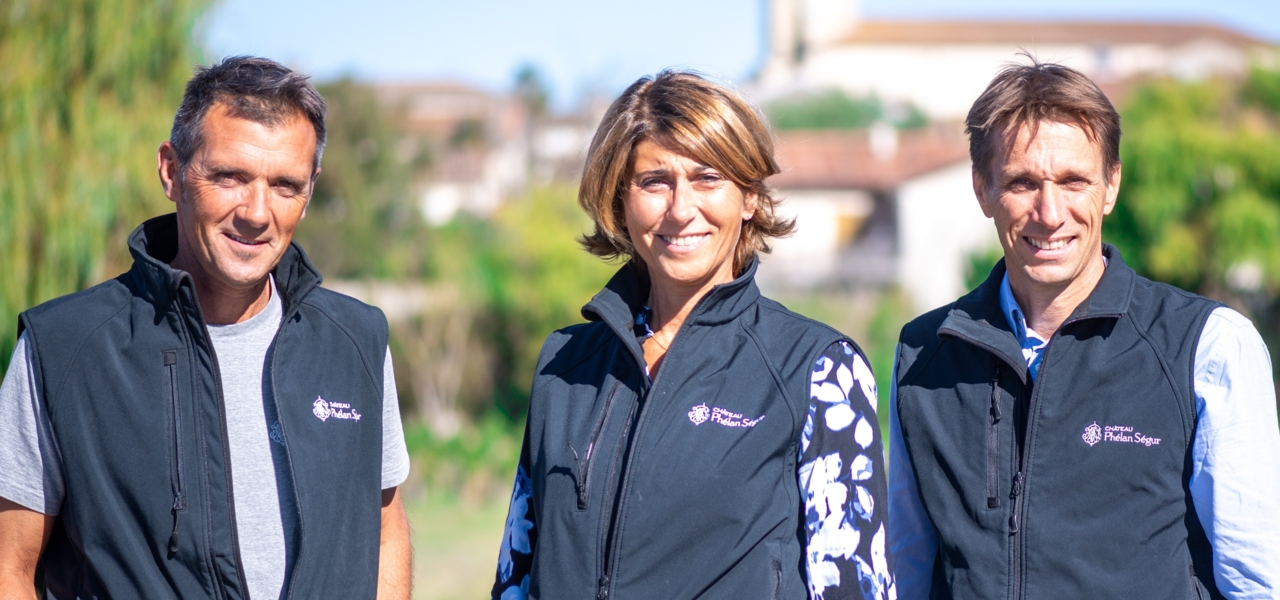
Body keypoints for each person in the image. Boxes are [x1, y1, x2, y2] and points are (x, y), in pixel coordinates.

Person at [0, 56, 412, 599]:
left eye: (285, 185)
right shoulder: (63, 349)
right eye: (230, 177)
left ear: (310, 190)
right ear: (172, 171)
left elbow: (384, 532)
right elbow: (9, 567)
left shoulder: (356, 341)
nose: (257, 212)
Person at [489, 70, 894, 600]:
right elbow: (516, 578)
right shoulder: (564, 364)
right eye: (655, 181)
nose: (681, 209)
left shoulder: (819, 370)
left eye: (708, 178)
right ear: (620, 200)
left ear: (749, 197)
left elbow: (857, 588)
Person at [888, 59, 1280, 598]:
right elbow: (904, 571)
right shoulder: (923, 354)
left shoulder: (1208, 346)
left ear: (1111, 185)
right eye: (1023, 183)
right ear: (982, 189)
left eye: (1074, 181)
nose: (1050, 213)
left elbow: (1258, 583)